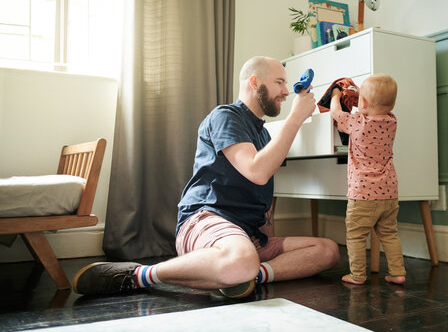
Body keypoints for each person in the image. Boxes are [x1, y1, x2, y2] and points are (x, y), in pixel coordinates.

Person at [72, 56, 340, 297]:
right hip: (206, 219)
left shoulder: (264, 134)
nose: (285, 91)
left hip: (247, 236)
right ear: (255, 82)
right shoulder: (226, 116)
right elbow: (257, 172)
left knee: (328, 251)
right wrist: (295, 118)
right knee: (241, 260)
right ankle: (139, 275)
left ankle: (249, 275)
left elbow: (262, 196)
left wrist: (264, 237)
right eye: (280, 82)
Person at [329, 73, 406, 285]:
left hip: (362, 194)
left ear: (362, 102)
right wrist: (360, 96)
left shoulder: (355, 122)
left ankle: (357, 275)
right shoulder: (392, 121)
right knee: (389, 234)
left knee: (356, 236)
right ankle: (398, 272)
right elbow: (374, 110)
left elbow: (336, 113)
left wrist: (336, 93)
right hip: (389, 192)